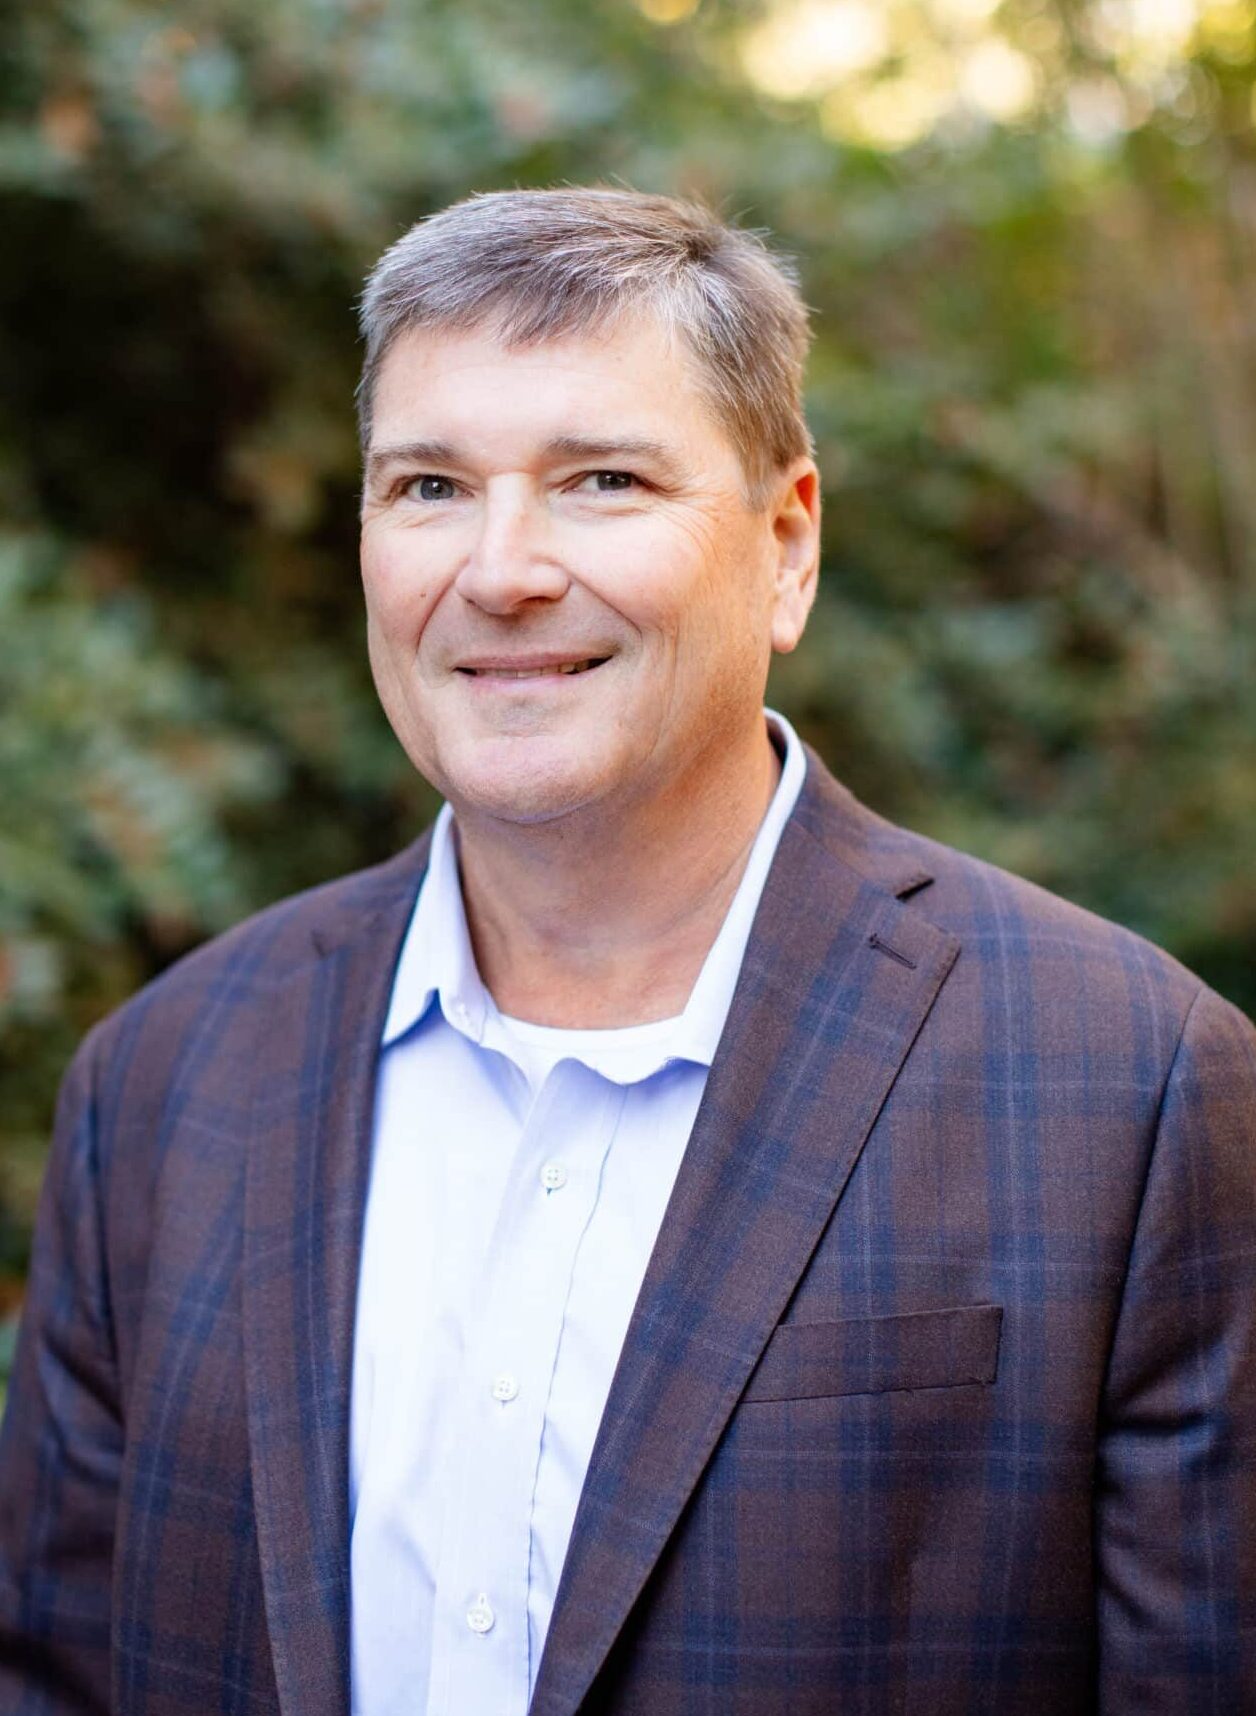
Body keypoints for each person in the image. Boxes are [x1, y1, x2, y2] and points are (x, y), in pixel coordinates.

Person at [1, 186, 1254, 1716]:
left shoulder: (1127, 1088)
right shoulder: (162, 1082)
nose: (503, 568)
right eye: (428, 488)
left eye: (600, 479)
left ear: (786, 548)